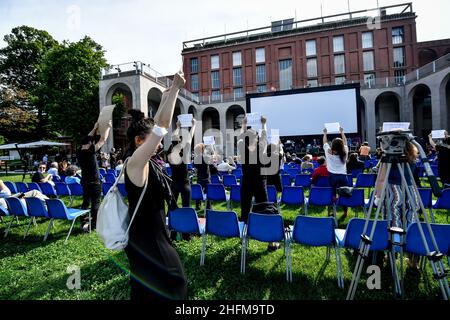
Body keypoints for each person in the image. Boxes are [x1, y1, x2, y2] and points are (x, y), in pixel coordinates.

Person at [124, 71, 187, 301]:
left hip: (148, 238)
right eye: (151, 140)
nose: (158, 144)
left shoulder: (143, 161)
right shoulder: (135, 163)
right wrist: (177, 89)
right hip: (149, 242)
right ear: (140, 141)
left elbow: (156, 125)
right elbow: (160, 126)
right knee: (173, 287)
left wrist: (165, 97)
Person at [77, 120, 111, 231]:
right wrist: (108, 127)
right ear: (89, 144)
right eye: (91, 142)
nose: (92, 143)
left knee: (86, 201)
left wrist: (95, 127)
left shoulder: (79, 151)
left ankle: (83, 220)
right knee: (96, 202)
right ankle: (95, 223)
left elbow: (87, 138)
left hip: (85, 181)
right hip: (94, 182)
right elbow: (103, 140)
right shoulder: (90, 151)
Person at [238, 115, 269, 223]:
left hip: (247, 181)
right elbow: (264, 135)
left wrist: (243, 124)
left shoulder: (243, 149)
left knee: (245, 208)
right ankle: (264, 230)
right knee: (264, 207)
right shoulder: (261, 148)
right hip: (260, 182)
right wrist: (263, 123)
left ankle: (244, 232)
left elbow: (240, 137)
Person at [167, 118, 197, 210]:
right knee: (186, 208)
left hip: (174, 183)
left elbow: (174, 138)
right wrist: (194, 126)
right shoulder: (183, 152)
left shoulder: (169, 153)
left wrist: (177, 127)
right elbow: (189, 138)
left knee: (172, 209)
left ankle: (172, 224)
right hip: (184, 184)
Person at [323, 127, 349, 219]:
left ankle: (331, 211)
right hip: (343, 176)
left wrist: (325, 133)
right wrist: (342, 132)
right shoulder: (345, 152)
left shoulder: (328, 152)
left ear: (333, 145)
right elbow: (345, 142)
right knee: (344, 194)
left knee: (332, 194)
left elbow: (325, 143)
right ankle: (345, 212)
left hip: (332, 176)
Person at [193, 143, 212, 210]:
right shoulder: (206, 157)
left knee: (199, 192)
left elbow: (195, 168)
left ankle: (198, 206)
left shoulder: (196, 158)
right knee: (208, 193)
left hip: (200, 177)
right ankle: (208, 206)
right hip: (206, 177)